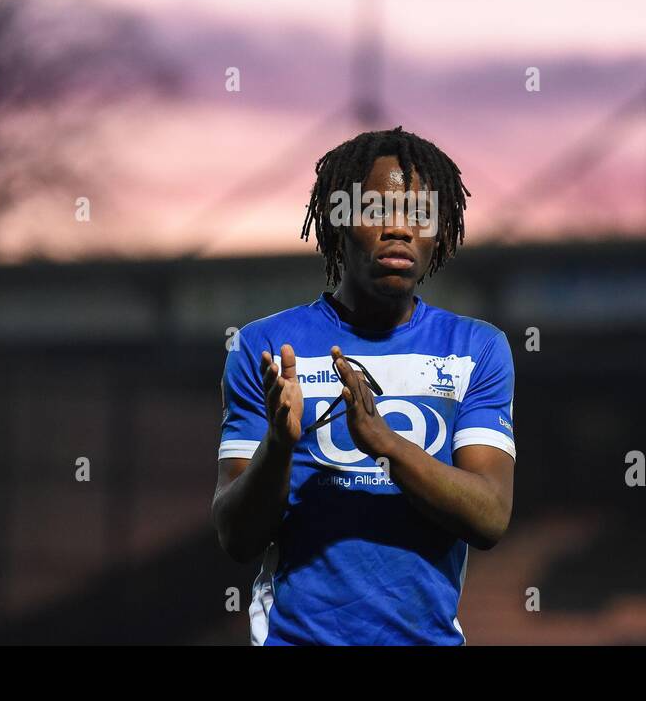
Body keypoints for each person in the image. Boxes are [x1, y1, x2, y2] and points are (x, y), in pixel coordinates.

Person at [211, 127, 516, 645]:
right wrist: (279, 446)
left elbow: (489, 516)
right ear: (336, 224)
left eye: (419, 214)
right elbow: (235, 537)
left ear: (440, 233)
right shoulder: (264, 347)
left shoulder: (476, 349)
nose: (398, 229)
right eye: (375, 209)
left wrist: (384, 442)